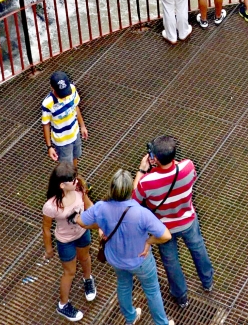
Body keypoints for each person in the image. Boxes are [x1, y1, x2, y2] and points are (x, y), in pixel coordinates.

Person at [75, 169, 175, 325]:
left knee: (123, 285)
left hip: (115, 259)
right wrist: (148, 242)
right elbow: (166, 236)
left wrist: (101, 227)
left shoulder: (101, 207)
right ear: (130, 191)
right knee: (152, 291)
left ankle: (130, 317)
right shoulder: (142, 213)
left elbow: (81, 221)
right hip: (141, 260)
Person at [134, 134, 213, 308]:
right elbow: (190, 176)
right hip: (187, 219)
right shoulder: (188, 167)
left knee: (171, 261)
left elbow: (135, 200)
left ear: (154, 158)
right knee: (198, 249)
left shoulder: (147, 182)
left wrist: (141, 170)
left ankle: (181, 296)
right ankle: (207, 282)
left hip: (163, 227)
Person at [42, 160, 96, 321]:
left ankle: (88, 279)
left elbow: (89, 206)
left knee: (85, 257)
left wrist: (98, 219)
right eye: (72, 180)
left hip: (82, 232)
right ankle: (63, 305)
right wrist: (49, 248)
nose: (76, 181)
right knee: (69, 272)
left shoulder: (79, 189)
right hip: (65, 241)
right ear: (62, 185)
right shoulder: (51, 206)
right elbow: (46, 228)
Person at [42, 72, 89, 166]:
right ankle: (69, 179)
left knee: (75, 157)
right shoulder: (48, 103)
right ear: (52, 88)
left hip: (75, 132)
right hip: (62, 141)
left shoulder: (72, 89)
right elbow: (46, 124)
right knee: (66, 166)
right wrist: (49, 146)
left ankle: (74, 176)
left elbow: (76, 107)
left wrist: (82, 126)